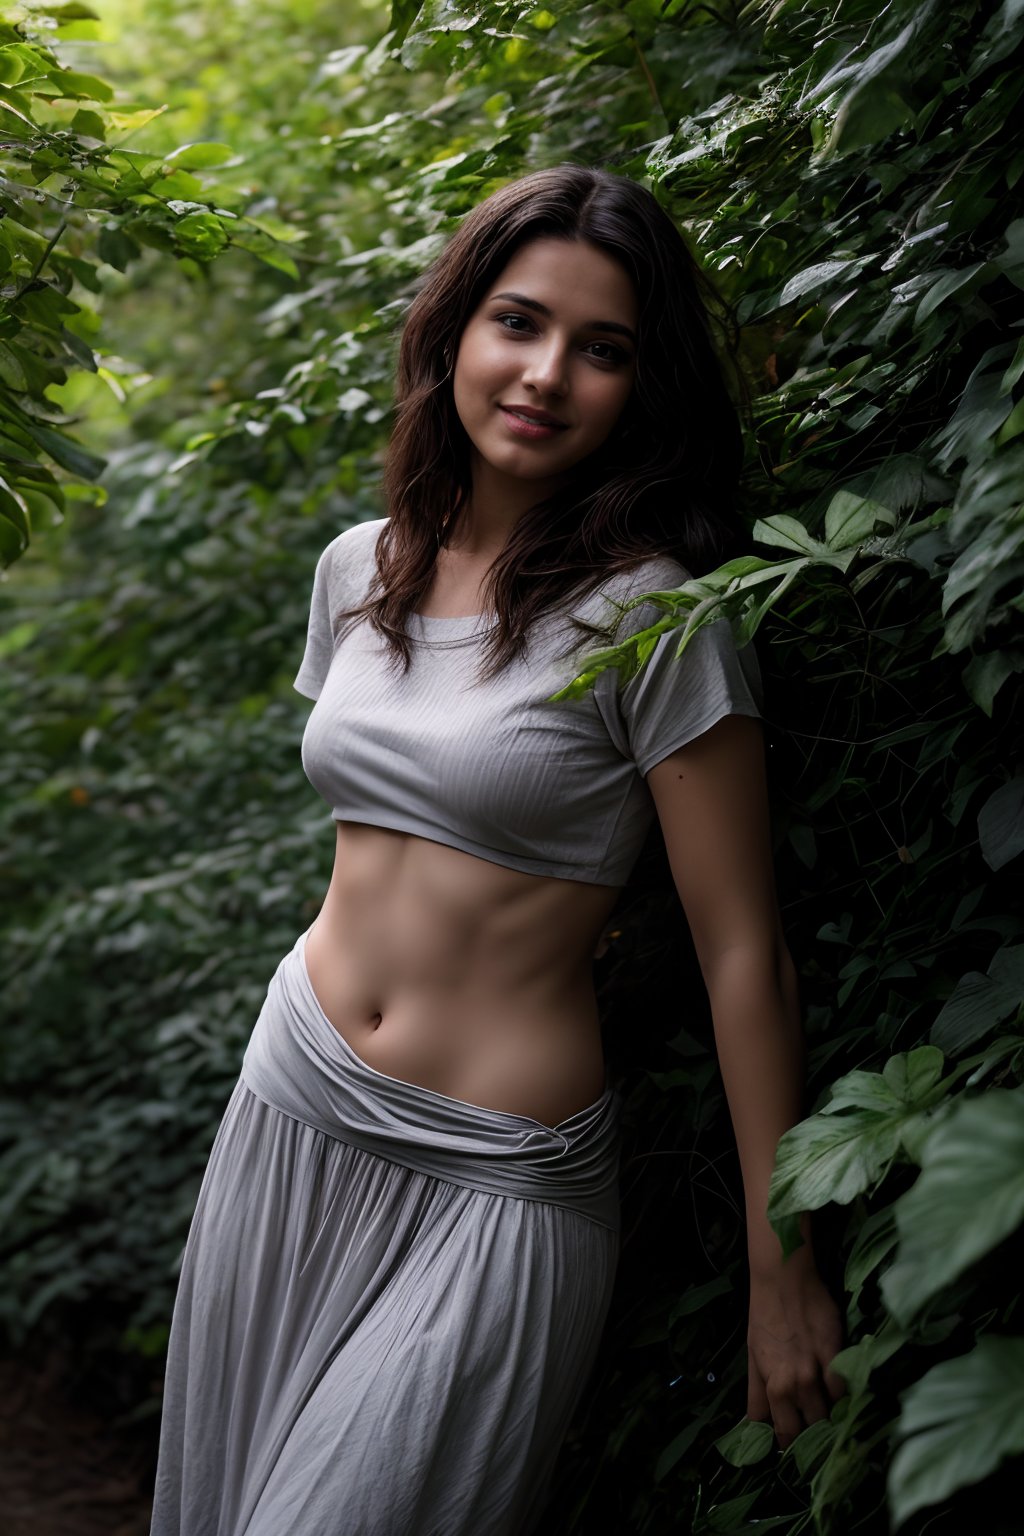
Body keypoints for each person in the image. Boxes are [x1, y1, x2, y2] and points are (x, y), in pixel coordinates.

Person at [149, 163, 846, 1536]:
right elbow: (375, 846)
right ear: (454, 332)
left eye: (603, 349)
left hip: (495, 1180)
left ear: (643, 389)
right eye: (518, 323)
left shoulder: (657, 617)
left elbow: (741, 949)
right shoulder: (361, 568)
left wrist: (786, 1264)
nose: (546, 374)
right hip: (292, 1105)